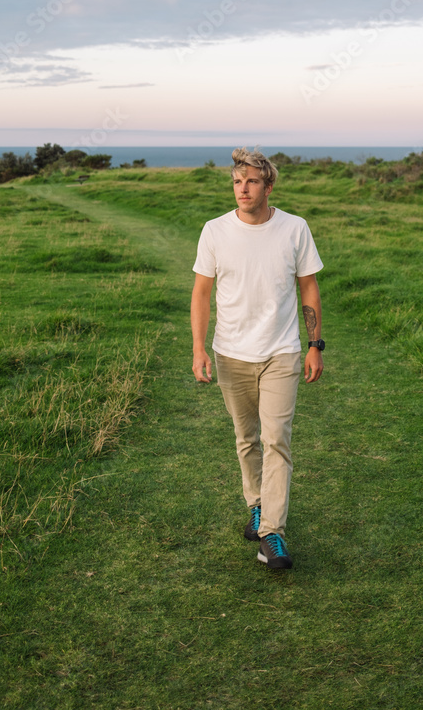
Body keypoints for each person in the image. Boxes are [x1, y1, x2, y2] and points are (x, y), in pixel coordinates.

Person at [191, 147, 325, 570]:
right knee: (246, 438)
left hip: (281, 352)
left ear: (268, 187)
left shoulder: (294, 228)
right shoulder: (214, 231)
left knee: (276, 440)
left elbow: (308, 286)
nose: (242, 189)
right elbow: (201, 292)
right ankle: (256, 504)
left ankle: (271, 533)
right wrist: (198, 347)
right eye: (237, 181)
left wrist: (315, 344)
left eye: (251, 181)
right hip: (230, 353)